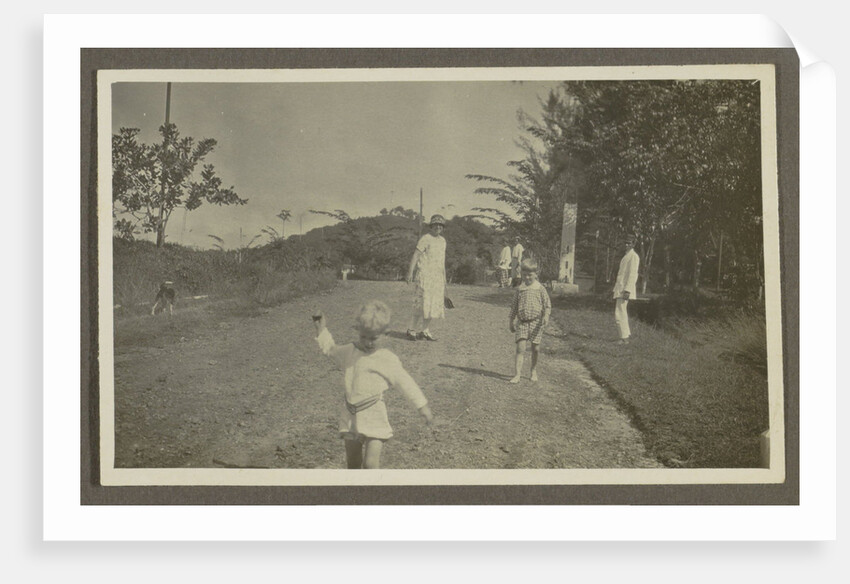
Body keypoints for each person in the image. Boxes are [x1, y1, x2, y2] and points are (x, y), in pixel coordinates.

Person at [313, 301, 435, 469]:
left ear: (385, 334)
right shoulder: (350, 351)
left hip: (374, 414)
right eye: (363, 337)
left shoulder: (386, 359)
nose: (368, 342)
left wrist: (422, 406)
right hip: (350, 415)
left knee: (370, 464)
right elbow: (331, 350)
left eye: (373, 338)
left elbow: (406, 383)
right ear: (358, 331)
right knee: (353, 463)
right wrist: (321, 331)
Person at [508, 257, 551, 383]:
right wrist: (511, 321)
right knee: (520, 348)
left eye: (530, 275)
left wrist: (546, 316)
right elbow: (514, 306)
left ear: (536, 274)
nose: (527, 278)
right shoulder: (520, 289)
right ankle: (517, 374)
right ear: (521, 274)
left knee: (535, 349)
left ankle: (533, 370)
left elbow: (547, 304)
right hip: (522, 323)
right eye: (524, 275)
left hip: (536, 323)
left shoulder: (540, 288)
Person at [405, 214, 447, 341]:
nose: (438, 227)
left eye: (440, 225)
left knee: (433, 304)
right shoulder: (425, 238)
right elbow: (416, 255)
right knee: (421, 303)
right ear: (431, 226)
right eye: (435, 225)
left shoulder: (443, 241)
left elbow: (442, 261)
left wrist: (444, 278)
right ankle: (411, 329)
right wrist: (410, 272)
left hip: (437, 277)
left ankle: (425, 330)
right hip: (424, 275)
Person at [612, 235, 640, 344]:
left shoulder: (634, 256)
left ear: (633, 244)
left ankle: (623, 338)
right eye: (626, 243)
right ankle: (625, 337)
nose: (626, 245)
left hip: (625, 289)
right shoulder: (626, 256)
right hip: (620, 288)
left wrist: (628, 290)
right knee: (621, 312)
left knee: (619, 313)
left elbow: (633, 274)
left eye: (629, 243)